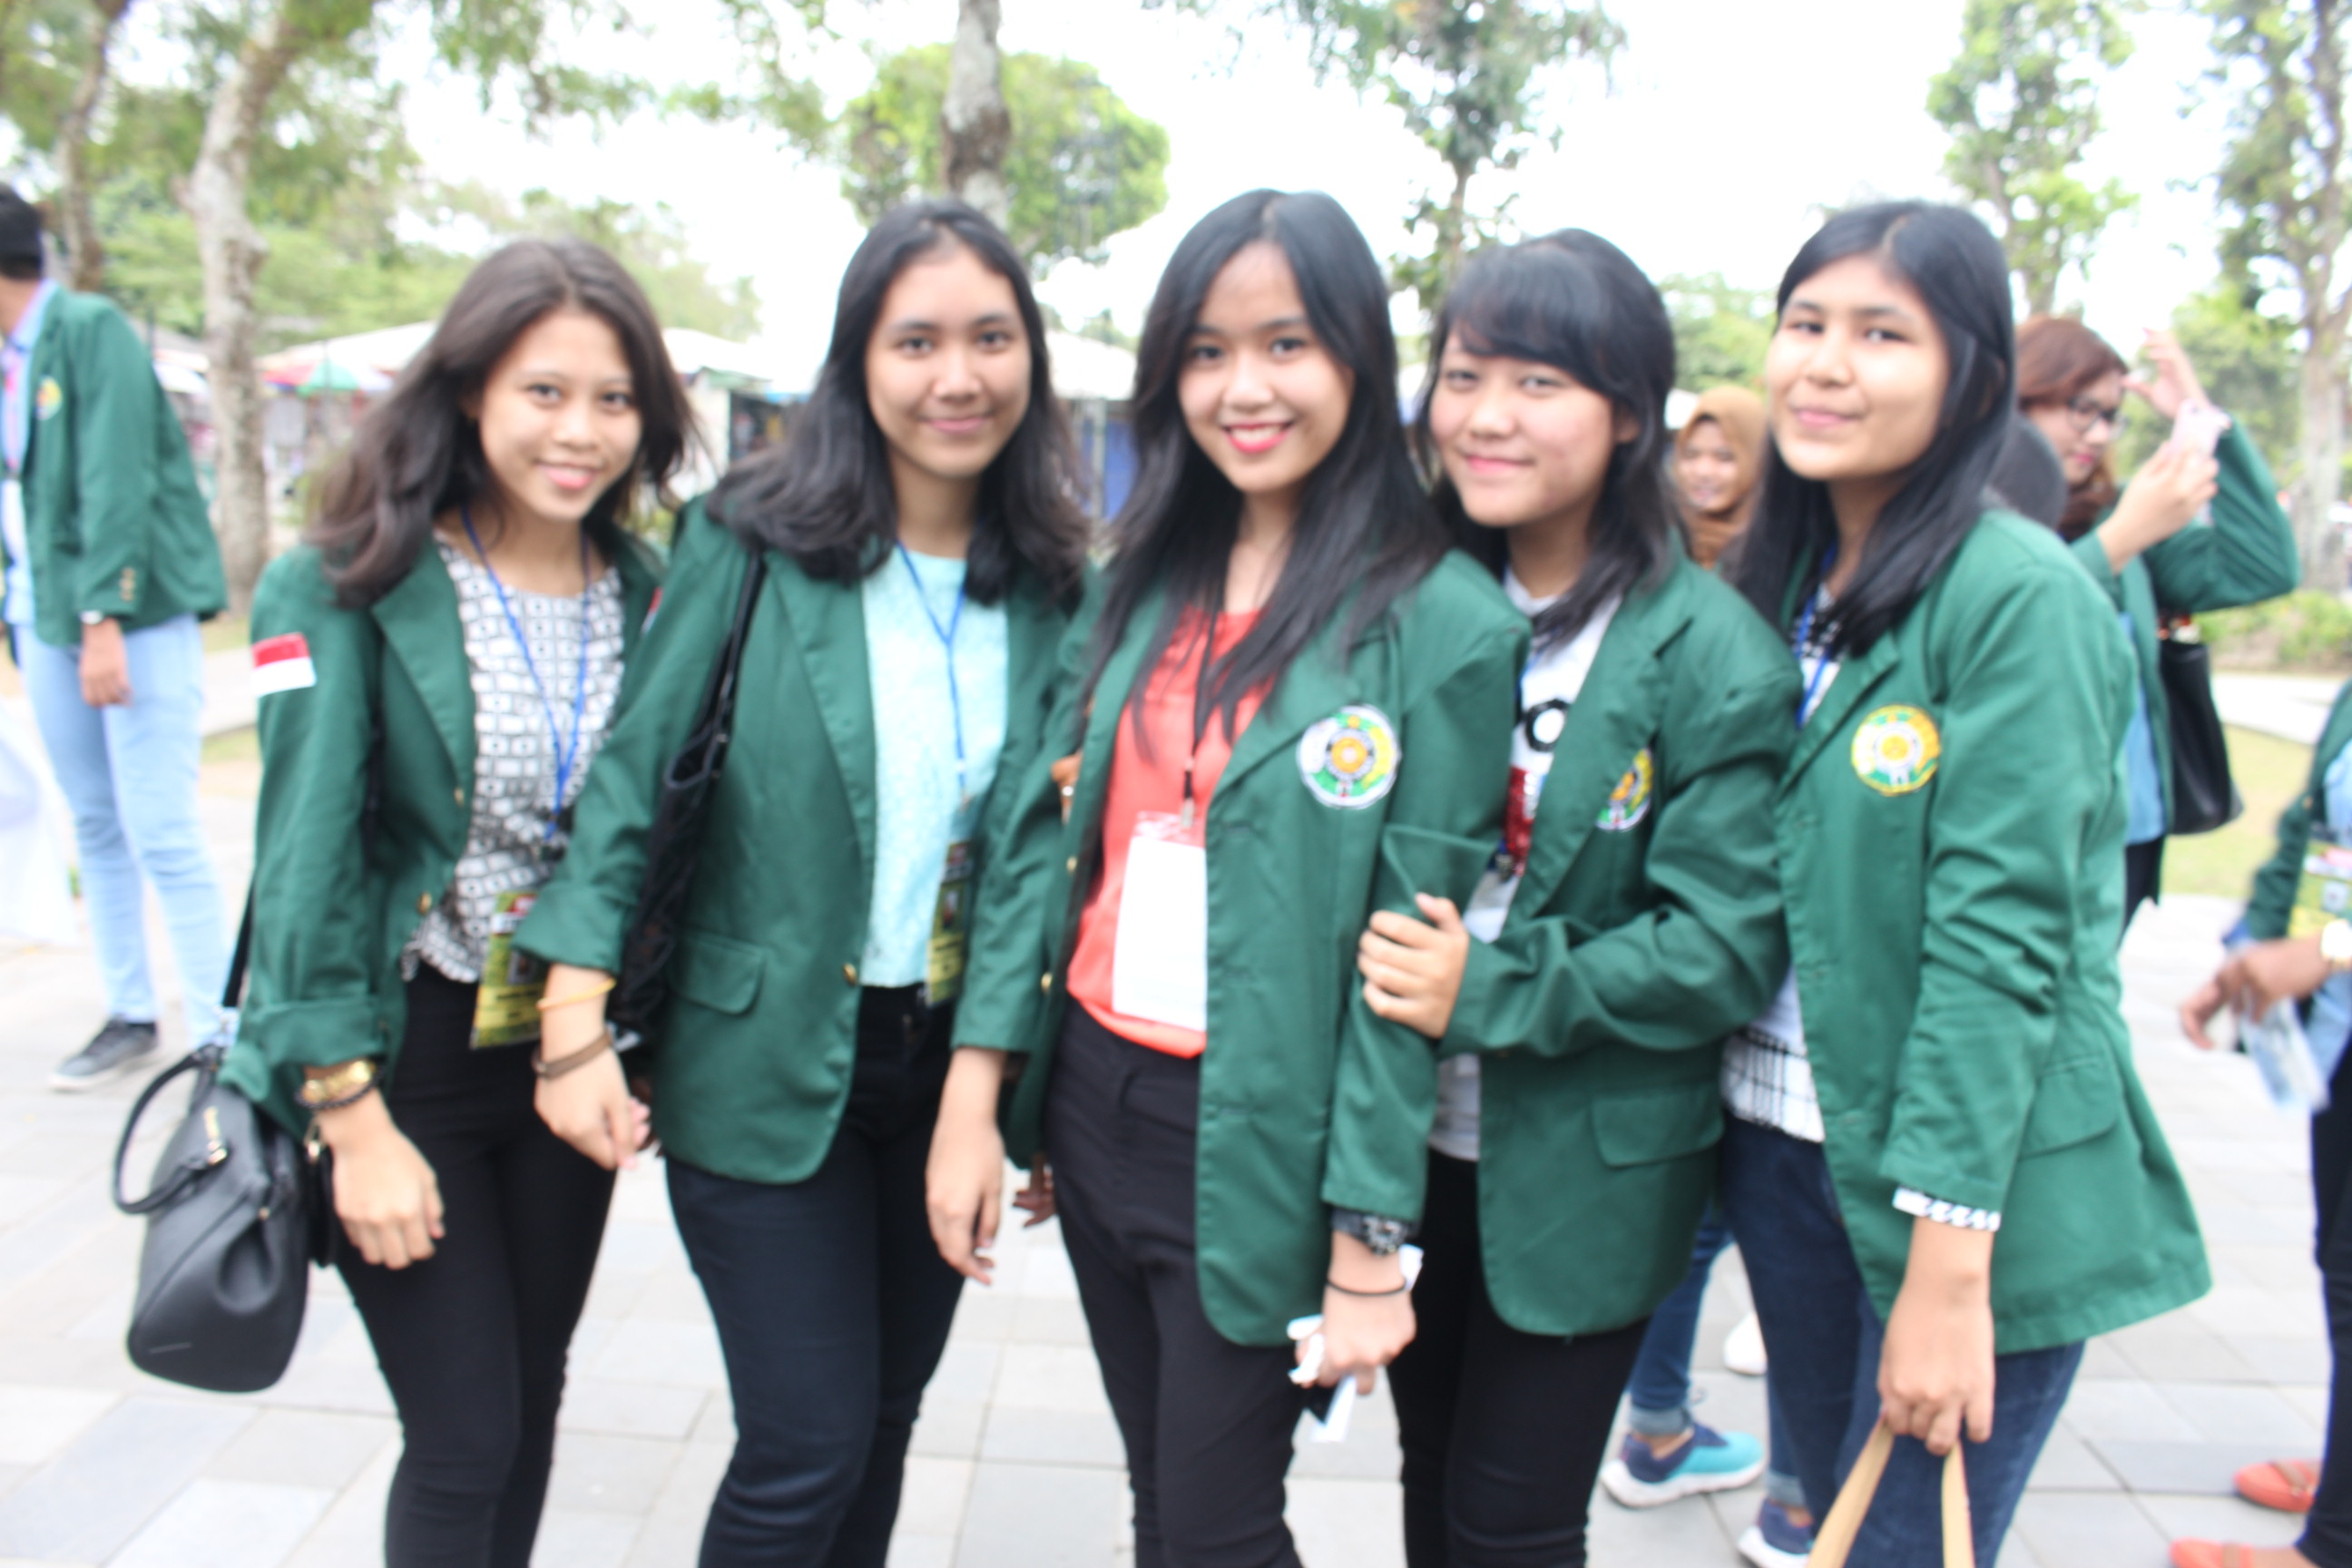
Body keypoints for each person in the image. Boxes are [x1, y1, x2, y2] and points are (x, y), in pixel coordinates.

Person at [925, 189, 1524, 1568]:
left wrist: (1369, 1236)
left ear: (1359, 360)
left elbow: (1408, 961)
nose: (1243, 389)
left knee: (1213, 1530)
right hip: (1095, 1100)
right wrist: (987, 1100)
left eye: (1285, 345)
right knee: (1165, 1504)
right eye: (1205, 352)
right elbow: (1044, 851)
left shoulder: (1443, 625)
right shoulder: (1133, 582)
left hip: (1263, 1132)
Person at [515, 200, 1090, 1567]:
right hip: (758, 1056)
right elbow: (637, 775)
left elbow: (1034, 865)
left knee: (882, 1426)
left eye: (992, 338)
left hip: (945, 1067)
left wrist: (998, 1099)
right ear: (858, 360)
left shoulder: (1064, 583)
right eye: (916, 341)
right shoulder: (750, 538)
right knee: (806, 1444)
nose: (958, 376)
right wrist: (571, 1016)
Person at [1719, 201, 2210, 1566]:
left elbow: (2004, 945)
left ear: (1972, 378)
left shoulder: (2021, 596)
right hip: (1782, 1147)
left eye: (1882, 334)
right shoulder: (1782, 578)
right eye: (1805, 324)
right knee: (1828, 1522)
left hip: (1960, 1188)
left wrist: (1948, 1270)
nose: (1825, 364)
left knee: (1900, 1549)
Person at [217, 239, 688, 1567]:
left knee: (529, 1411)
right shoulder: (344, 582)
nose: (580, 431)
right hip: (404, 1056)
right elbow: (303, 862)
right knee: (465, 1434)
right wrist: (347, 1115)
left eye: (614, 399)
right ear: (472, 388)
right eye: (545, 392)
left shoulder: (651, 592)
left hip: (563, 1056)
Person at [1346, 230, 1796, 1568]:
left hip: (1583, 1177)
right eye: (1465, 375)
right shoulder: (1394, 604)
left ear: (1630, 415)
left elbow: (1722, 948)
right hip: (1401, 1149)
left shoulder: (1712, 653)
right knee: (1432, 1484)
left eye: (1539, 382)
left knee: (1512, 1524)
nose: (1488, 416)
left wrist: (1486, 992)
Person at [0, 183, 230, 1089]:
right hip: (43, 613)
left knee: (160, 823)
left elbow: (117, 477)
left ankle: (221, 1033)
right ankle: (130, 1011)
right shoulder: (12, 359)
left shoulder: (86, 330)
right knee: (93, 819)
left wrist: (105, 619)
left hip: (126, 618)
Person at [2017, 314, 2298, 923]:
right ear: (2018, 399)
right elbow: (2012, 627)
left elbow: (2263, 567)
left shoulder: (2117, 517)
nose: (2098, 433)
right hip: (2024, 836)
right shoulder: (1971, 522)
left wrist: (2201, 419)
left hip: (2129, 836)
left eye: (2110, 415)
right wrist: (2118, 541)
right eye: (2080, 409)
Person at [2171, 681, 2352, 1568]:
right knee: (2339, 1262)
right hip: (2341, 1026)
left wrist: (2326, 949)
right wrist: (2254, 954)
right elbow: (2316, 836)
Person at [1673, 384, 1766, 569]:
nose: (1703, 471)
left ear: (1757, 460)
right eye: (1691, 454)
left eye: (1725, 457)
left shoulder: (1774, 548)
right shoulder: (1662, 539)